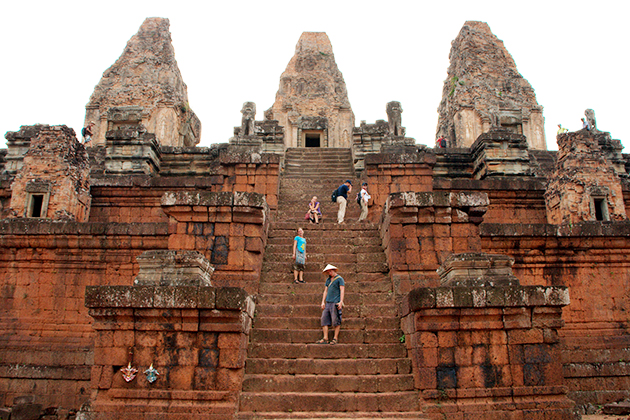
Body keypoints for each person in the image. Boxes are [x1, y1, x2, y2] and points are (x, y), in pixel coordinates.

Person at [316, 264, 345, 345]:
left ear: (334, 270)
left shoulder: (340, 279)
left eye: (330, 271)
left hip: (335, 302)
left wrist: (340, 301)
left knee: (336, 320)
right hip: (328, 302)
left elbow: (342, 290)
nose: (329, 273)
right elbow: (325, 291)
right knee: (324, 320)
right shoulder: (328, 280)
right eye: (328, 272)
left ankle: (335, 338)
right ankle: (325, 338)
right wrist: (323, 302)